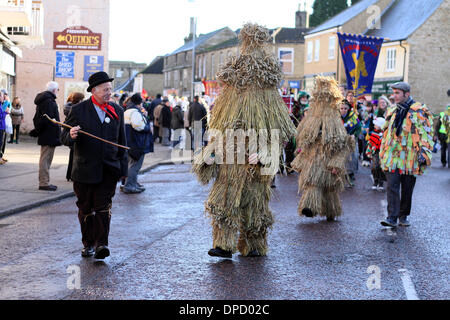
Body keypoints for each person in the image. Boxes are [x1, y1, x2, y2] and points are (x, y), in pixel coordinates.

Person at [192, 23, 296, 258]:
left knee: (255, 206)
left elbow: (279, 134)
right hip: (231, 162)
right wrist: (211, 155)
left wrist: (264, 156)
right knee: (225, 202)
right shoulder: (230, 104)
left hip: (255, 163)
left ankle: (253, 245)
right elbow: (219, 131)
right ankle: (223, 245)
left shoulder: (267, 100)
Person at [61, 71, 128, 259]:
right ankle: (88, 243)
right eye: (106, 89)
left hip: (108, 169)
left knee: (103, 207)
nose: (109, 92)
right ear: (94, 90)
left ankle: (101, 245)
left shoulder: (117, 111)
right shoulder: (78, 110)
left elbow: (122, 141)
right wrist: (71, 136)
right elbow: (63, 136)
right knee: (85, 208)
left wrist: (123, 170)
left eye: (110, 89)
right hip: (84, 170)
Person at [292, 76, 353, 221]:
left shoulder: (335, 123)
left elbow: (343, 145)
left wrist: (336, 164)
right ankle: (310, 207)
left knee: (329, 190)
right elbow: (303, 139)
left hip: (328, 161)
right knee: (313, 184)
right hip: (314, 160)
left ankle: (331, 210)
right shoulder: (312, 120)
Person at [379, 82, 434, 227]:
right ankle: (392, 217)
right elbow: (386, 133)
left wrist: (424, 152)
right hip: (393, 156)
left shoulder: (419, 111)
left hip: (410, 157)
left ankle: (403, 215)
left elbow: (426, 134)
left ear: (407, 94)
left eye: (397, 93)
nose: (394, 96)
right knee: (392, 186)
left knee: (407, 188)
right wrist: (383, 150)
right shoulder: (392, 111)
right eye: (394, 93)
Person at [33, 81, 61, 191]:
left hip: (48, 134)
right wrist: (54, 123)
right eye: (58, 90)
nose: (58, 92)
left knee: (46, 159)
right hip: (48, 134)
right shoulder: (48, 101)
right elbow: (47, 119)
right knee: (45, 159)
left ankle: (45, 181)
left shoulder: (46, 100)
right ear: (54, 90)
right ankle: (44, 183)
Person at [122, 93, 153, 194]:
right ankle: (130, 186)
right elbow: (138, 126)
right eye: (141, 103)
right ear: (139, 103)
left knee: (131, 165)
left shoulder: (127, 111)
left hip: (129, 142)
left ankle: (131, 184)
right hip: (136, 143)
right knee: (135, 166)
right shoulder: (134, 112)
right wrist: (148, 128)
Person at [64, 92, 85, 181]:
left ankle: (69, 175)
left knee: (72, 157)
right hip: (73, 134)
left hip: (72, 133)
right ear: (79, 100)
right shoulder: (74, 109)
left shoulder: (68, 107)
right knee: (74, 158)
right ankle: (72, 175)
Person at [340, 99, 361, 187]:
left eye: (345, 108)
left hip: (350, 140)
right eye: (341, 108)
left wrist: (354, 135)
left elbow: (359, 127)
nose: (343, 110)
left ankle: (350, 176)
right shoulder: (335, 117)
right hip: (339, 140)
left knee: (351, 158)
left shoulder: (353, 117)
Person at [366, 117, 386, 191]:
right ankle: (375, 180)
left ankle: (381, 182)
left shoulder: (385, 134)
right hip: (375, 152)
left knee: (381, 167)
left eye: (376, 125)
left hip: (383, 152)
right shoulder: (374, 133)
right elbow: (371, 142)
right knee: (375, 166)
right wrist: (369, 151)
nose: (374, 126)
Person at [0, 90, 9, 165]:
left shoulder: (1, 104)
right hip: (0, 126)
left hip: (2, 126)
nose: (3, 98)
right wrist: (5, 112)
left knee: (2, 142)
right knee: (0, 143)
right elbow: (1, 116)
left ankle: (0, 157)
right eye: (2, 96)